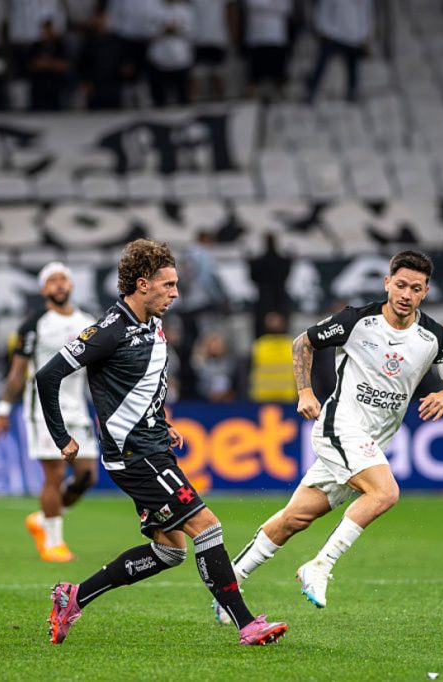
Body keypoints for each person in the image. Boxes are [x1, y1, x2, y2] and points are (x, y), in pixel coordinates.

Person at [36, 238, 287, 646]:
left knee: (170, 551)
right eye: (168, 285)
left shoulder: (151, 323)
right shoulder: (109, 330)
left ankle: (73, 597)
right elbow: (47, 375)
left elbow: (136, 384)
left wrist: (160, 421)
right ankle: (246, 623)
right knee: (207, 527)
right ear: (142, 285)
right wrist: (61, 437)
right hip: (135, 456)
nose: (176, 293)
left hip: (152, 446)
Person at [215, 250, 443, 622]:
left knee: (295, 518)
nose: (406, 295)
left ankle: (229, 584)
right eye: (400, 285)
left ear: (426, 291)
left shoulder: (433, 337)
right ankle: (320, 565)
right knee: (385, 493)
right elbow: (302, 342)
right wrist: (305, 392)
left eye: (415, 288)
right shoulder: (357, 321)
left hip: (371, 441)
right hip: (339, 426)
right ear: (387, 283)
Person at [0, 262, 98, 562]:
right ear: (43, 289)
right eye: (52, 280)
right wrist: (2, 410)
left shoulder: (88, 322)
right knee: (55, 473)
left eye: (63, 279)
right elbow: (17, 373)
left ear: (71, 285)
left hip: (77, 408)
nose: (59, 284)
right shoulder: (33, 325)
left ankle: (43, 518)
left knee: (87, 476)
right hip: (43, 409)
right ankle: (53, 542)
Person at [307, 0, 373, 103]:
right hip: (334, 34)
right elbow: (324, 8)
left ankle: (352, 92)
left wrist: (364, 36)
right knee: (321, 63)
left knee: (353, 67)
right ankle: (312, 90)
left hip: (354, 37)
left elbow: (365, 15)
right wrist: (324, 29)